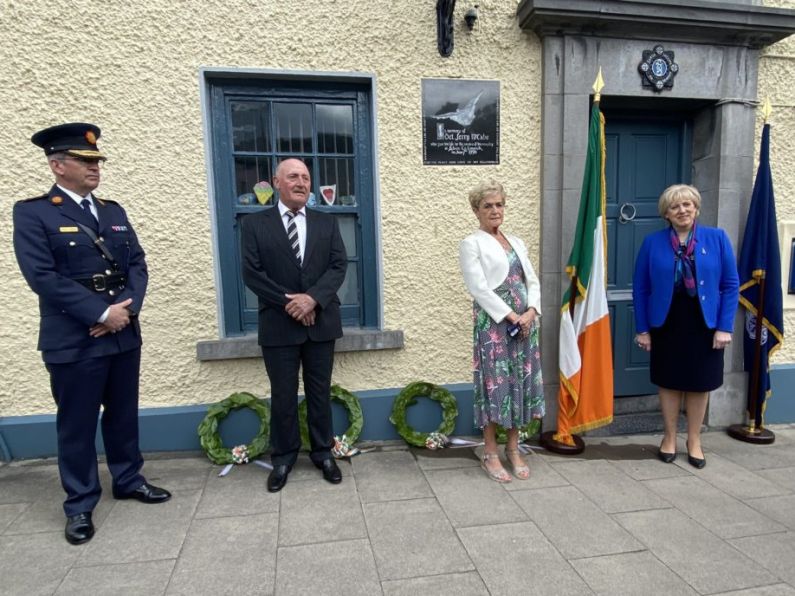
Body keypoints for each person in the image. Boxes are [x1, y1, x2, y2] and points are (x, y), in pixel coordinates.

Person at [13, 123, 171, 546]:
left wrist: (125, 309)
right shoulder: (34, 213)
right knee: (77, 424)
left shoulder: (113, 211)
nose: (94, 167)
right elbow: (41, 276)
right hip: (75, 337)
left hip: (121, 333)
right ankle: (80, 502)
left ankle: (128, 478)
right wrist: (100, 311)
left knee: (123, 414)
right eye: (84, 161)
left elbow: (137, 264)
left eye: (96, 161)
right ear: (57, 165)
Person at [241, 158, 347, 493]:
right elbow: (252, 273)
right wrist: (293, 303)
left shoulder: (326, 223)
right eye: (292, 177)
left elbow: (338, 265)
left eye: (305, 177)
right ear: (276, 182)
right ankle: (283, 457)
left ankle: (322, 453)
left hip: (321, 322)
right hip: (278, 324)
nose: (301, 182)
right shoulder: (254, 225)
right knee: (283, 395)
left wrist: (312, 299)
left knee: (319, 391)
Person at [633, 184, 739, 469]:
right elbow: (641, 289)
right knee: (669, 381)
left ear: (696, 208)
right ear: (666, 214)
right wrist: (642, 329)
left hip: (705, 322)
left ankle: (694, 440)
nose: (682, 210)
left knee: (699, 382)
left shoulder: (717, 239)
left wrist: (724, 327)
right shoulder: (652, 243)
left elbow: (730, 286)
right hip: (667, 322)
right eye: (675, 206)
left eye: (687, 205)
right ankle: (669, 438)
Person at [459, 180, 544, 483]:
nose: (495, 210)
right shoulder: (472, 243)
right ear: (476, 210)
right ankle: (491, 452)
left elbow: (531, 280)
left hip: (524, 323)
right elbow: (478, 288)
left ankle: (513, 448)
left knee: (519, 381)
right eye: (487, 206)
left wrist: (531, 312)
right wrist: (512, 317)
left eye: (499, 204)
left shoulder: (517, 241)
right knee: (496, 385)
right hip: (495, 326)